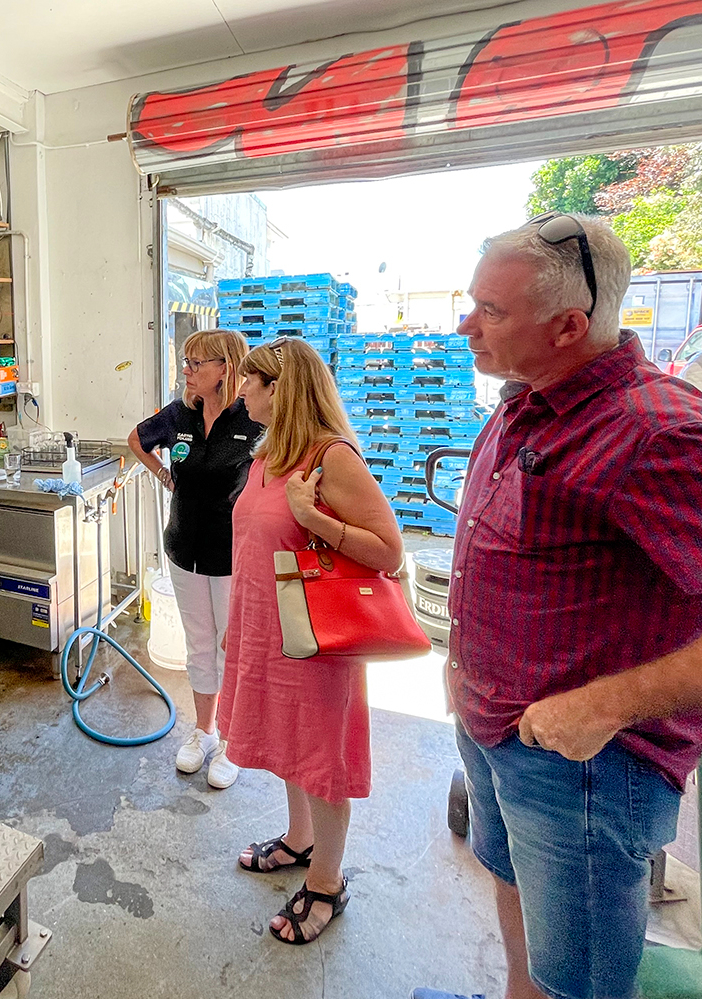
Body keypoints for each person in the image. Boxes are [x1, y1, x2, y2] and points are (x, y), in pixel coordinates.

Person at [413, 215, 702, 999]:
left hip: (584, 765)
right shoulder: (524, 399)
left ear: (567, 326)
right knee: (513, 885)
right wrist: (462, 668)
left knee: (582, 977)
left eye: (491, 310)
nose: (466, 325)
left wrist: (607, 703)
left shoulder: (658, 430)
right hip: (494, 726)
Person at [221, 336, 404, 945]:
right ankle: (300, 842)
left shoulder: (331, 458)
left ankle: (327, 883)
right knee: (287, 740)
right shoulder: (266, 454)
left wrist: (315, 515)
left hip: (314, 638)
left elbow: (387, 552)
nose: (241, 388)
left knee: (323, 757)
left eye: (251, 380)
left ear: (281, 389)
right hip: (263, 631)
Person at [128, 330, 260, 789]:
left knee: (233, 648)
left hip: (234, 557)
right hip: (184, 549)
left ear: (225, 367)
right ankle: (205, 731)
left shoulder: (253, 417)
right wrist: (165, 474)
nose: (186, 368)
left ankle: (233, 741)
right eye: (184, 360)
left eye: (196, 361)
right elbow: (136, 439)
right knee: (200, 644)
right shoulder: (179, 414)